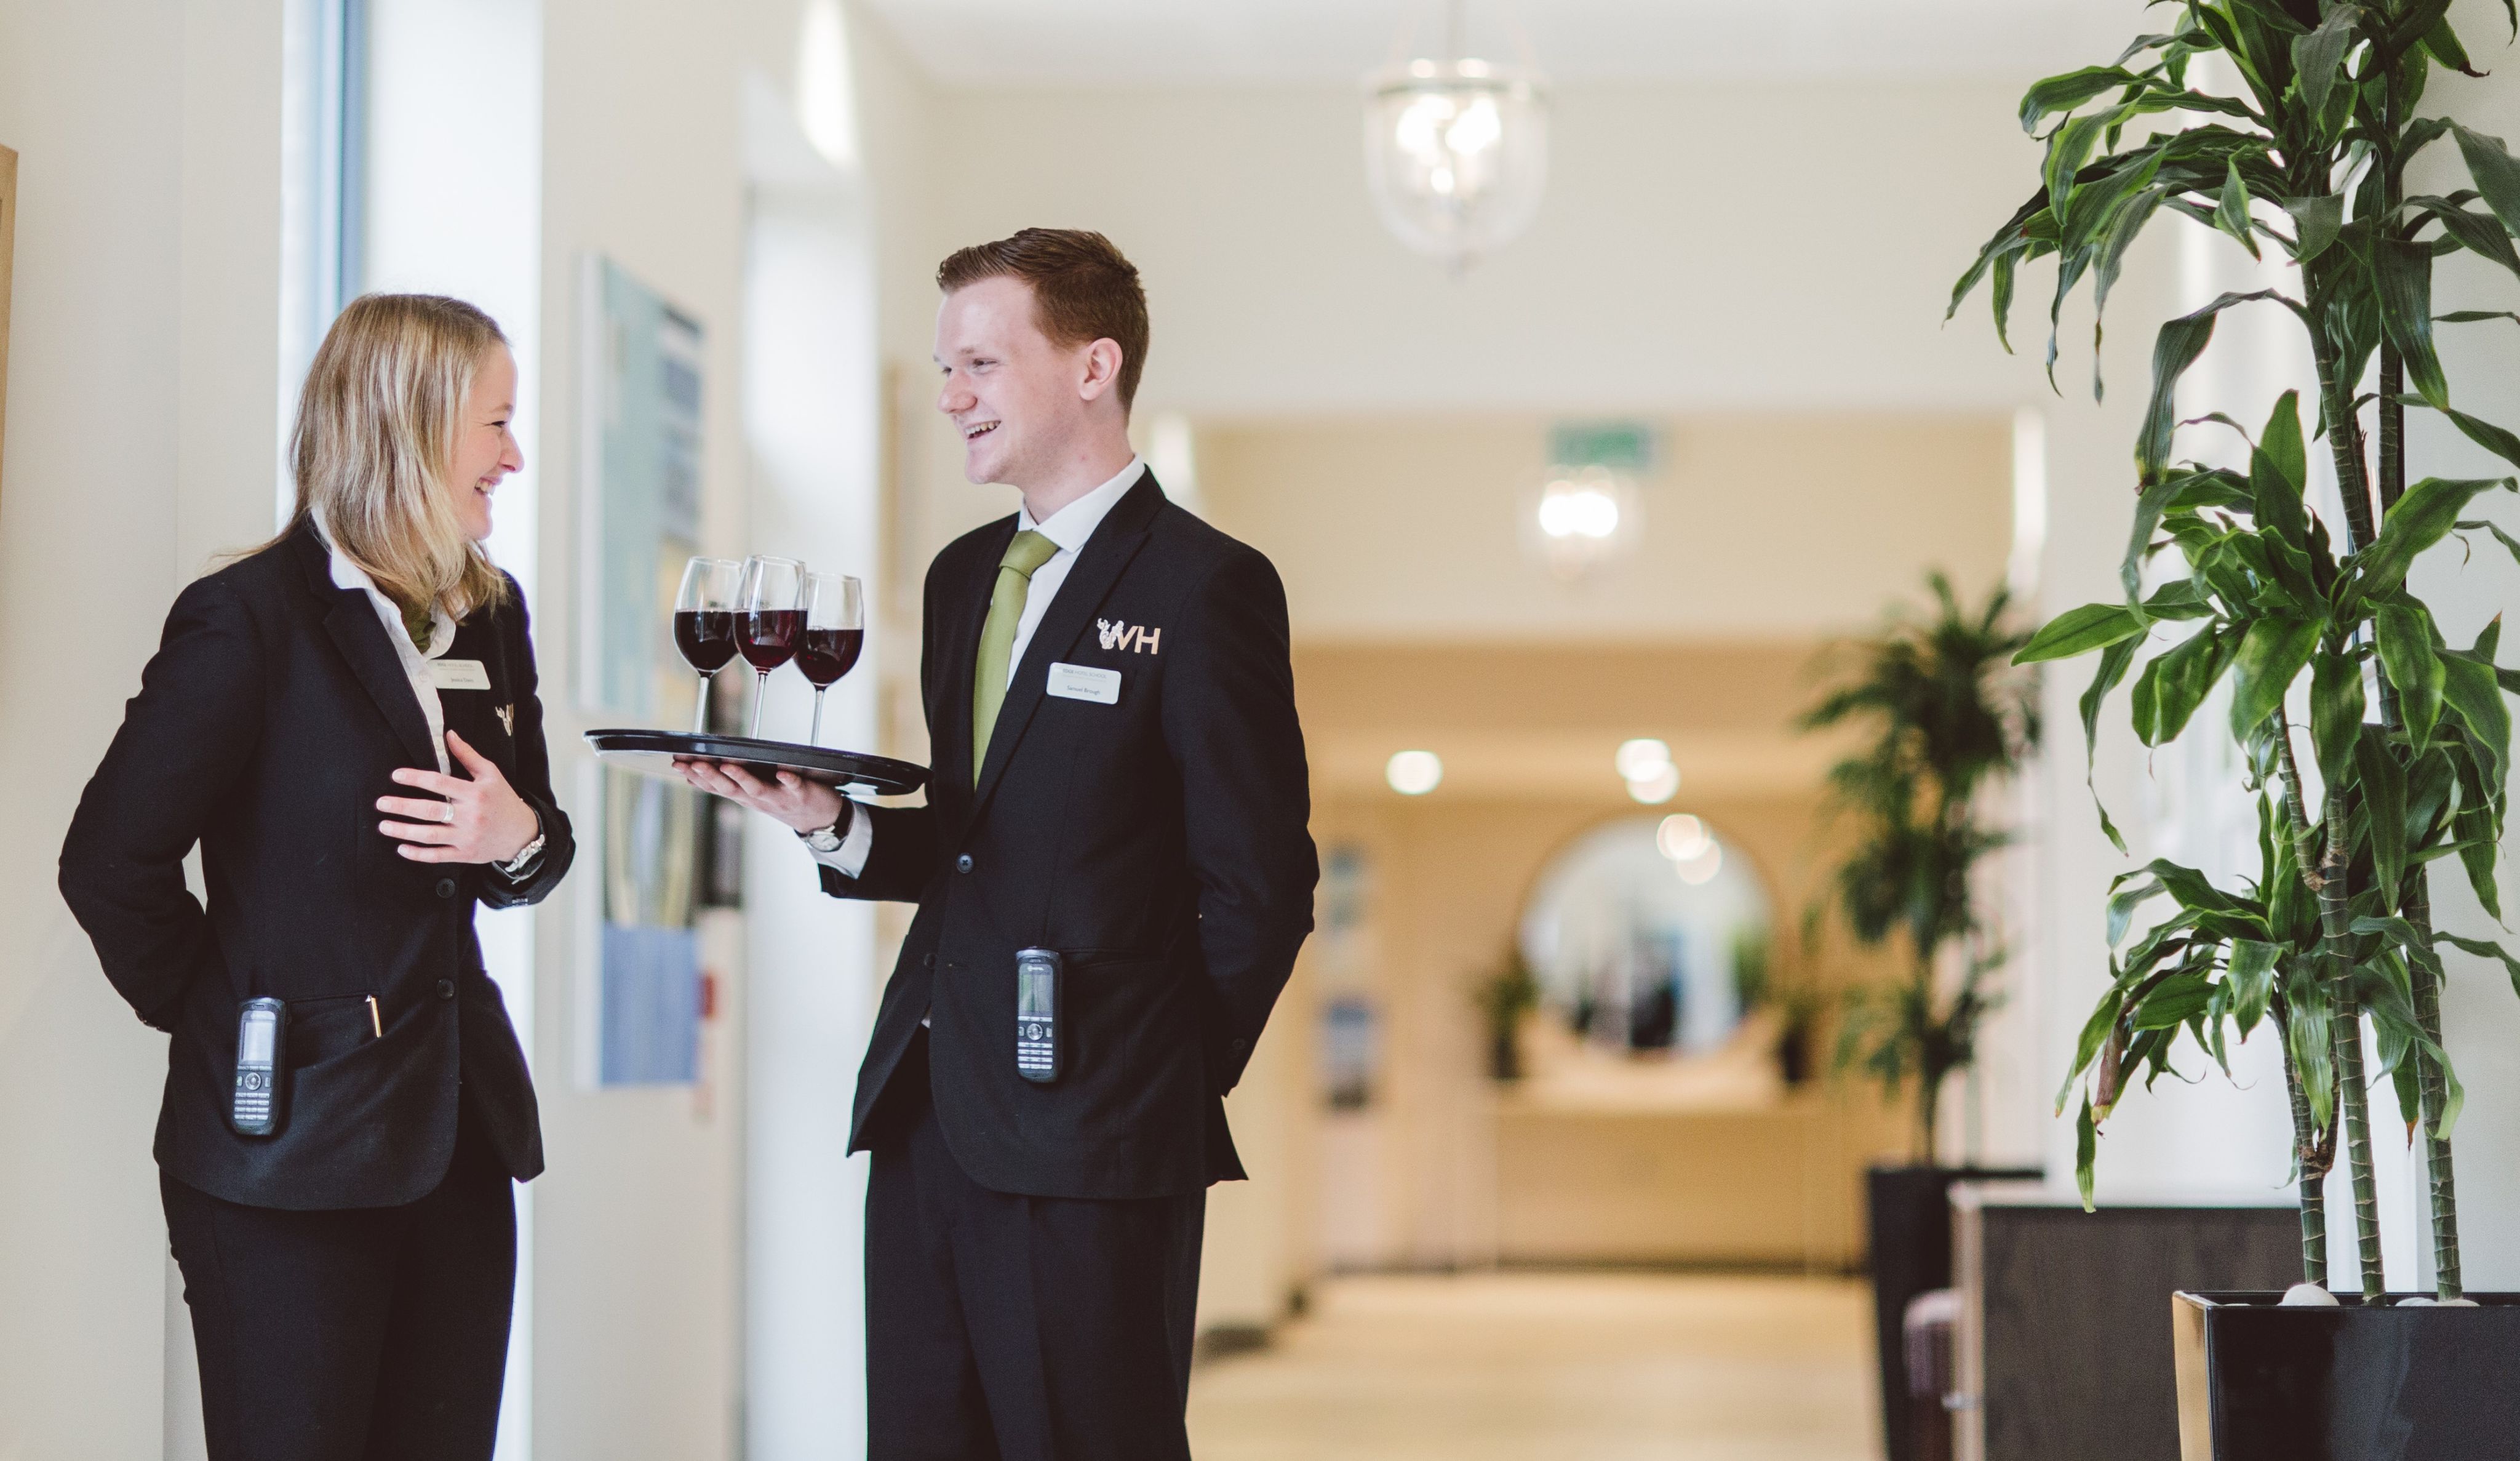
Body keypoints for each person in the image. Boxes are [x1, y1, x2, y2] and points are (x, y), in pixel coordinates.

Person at [682, 228, 1318, 1459]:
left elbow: (1261, 887)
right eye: (943, 367)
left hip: (1097, 1134)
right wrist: (836, 825)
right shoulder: (964, 576)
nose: (950, 395)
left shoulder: (1205, 586)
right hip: (928, 1108)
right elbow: (976, 845)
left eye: (979, 362)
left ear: (1093, 366)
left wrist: (1155, 1082)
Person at [58, 294, 572, 1461]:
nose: (513, 454)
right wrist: (227, 1016)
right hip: (282, 1160)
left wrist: (517, 838)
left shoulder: (492, 616)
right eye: (494, 423)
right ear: (411, 423)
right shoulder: (248, 620)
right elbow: (108, 862)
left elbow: (530, 856)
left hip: (459, 1144)